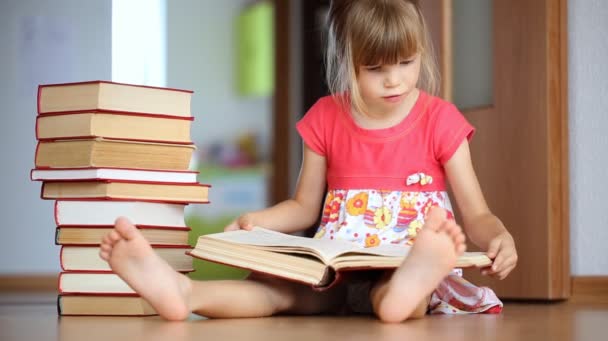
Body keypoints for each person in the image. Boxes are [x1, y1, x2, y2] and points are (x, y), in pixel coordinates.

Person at [100, 0, 517, 323]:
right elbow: (303, 207)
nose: (395, 79)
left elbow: (476, 212)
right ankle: (184, 294)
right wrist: (258, 221)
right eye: (375, 68)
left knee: (397, 291)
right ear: (348, 62)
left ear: (421, 53)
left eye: (406, 63)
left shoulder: (440, 119)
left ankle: (414, 282)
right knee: (283, 292)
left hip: (402, 256)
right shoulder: (325, 117)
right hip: (338, 261)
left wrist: (498, 236)